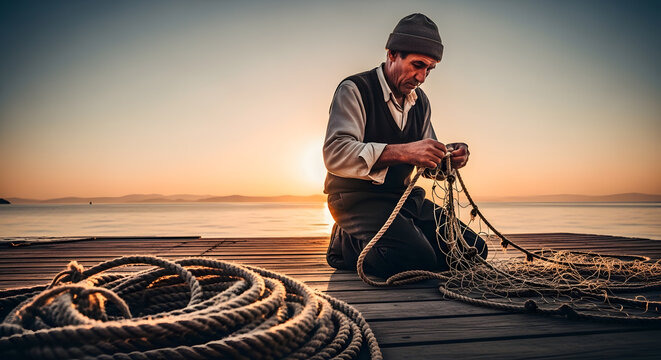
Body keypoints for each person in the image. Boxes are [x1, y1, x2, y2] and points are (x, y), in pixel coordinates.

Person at [323, 13, 488, 278]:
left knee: (472, 250)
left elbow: (428, 162)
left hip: (403, 199)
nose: (421, 77)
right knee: (414, 258)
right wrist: (404, 151)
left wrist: (447, 157)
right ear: (392, 54)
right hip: (354, 200)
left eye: (429, 69)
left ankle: (402, 234)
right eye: (417, 65)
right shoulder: (354, 89)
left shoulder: (420, 102)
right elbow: (335, 153)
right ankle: (345, 243)